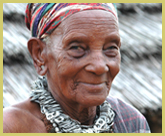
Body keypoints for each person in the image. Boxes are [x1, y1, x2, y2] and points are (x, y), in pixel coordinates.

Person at [3, 3, 151, 133]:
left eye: (110, 48)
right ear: (40, 54)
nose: (99, 66)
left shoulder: (131, 123)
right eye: (77, 48)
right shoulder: (10, 127)